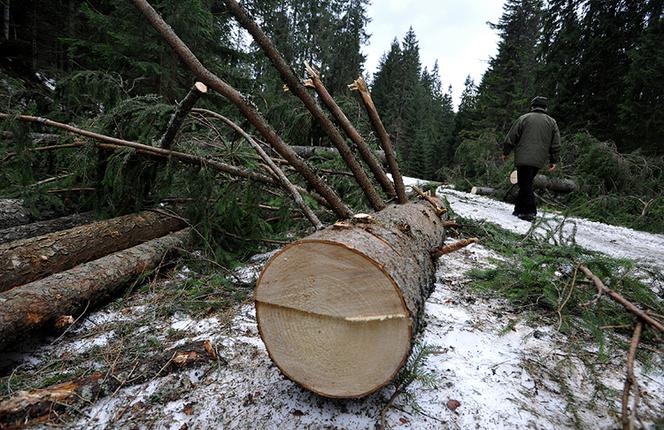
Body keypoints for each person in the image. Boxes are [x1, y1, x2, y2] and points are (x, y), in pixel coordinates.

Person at [501, 96, 561, 221]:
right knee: (525, 183)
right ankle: (518, 210)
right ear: (545, 107)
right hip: (539, 160)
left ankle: (530, 211)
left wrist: (506, 152)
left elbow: (511, 137)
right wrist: (553, 160)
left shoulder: (524, 118)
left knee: (525, 184)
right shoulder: (552, 122)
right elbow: (556, 144)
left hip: (523, 158)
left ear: (532, 106)